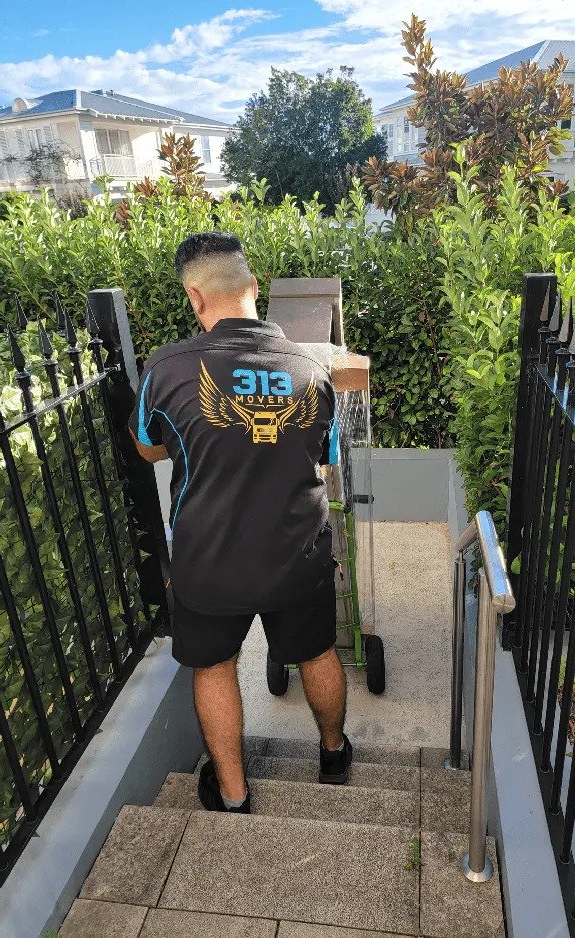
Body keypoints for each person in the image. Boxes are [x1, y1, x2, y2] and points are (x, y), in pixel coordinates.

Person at [128, 231, 352, 814]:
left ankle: (233, 795)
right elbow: (326, 457)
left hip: (209, 561)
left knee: (213, 667)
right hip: (297, 556)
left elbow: (148, 448)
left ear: (195, 297)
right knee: (317, 652)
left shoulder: (167, 369)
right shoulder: (312, 368)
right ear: (253, 286)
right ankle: (333, 756)